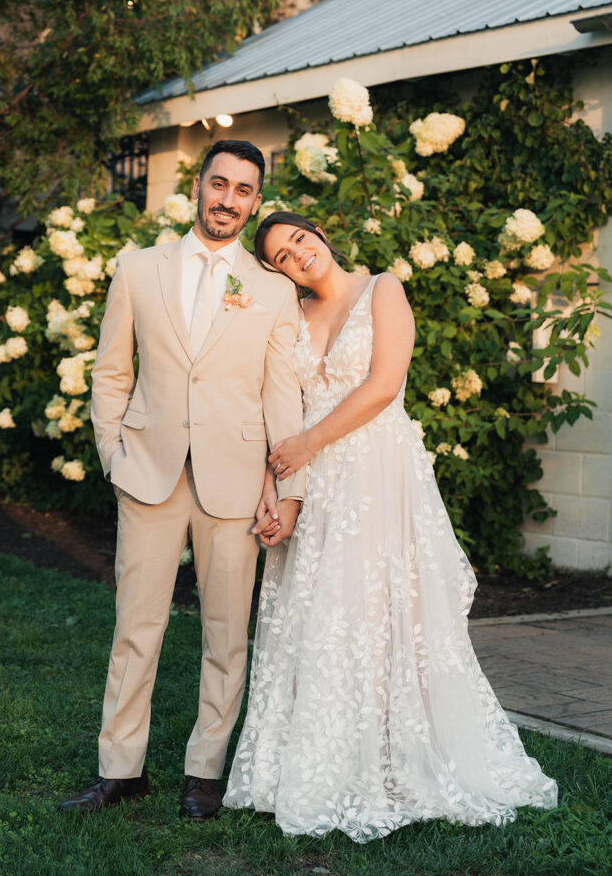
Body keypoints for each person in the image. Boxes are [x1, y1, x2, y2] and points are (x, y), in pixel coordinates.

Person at [223, 211, 558, 842]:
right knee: (315, 618)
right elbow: (277, 404)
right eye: (282, 257)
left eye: (300, 239)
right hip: (312, 482)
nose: (298, 256)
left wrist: (305, 444)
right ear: (276, 272)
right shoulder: (291, 318)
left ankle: (393, 760)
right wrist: (276, 484)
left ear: (319, 232)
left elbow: (383, 385)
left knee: (378, 613)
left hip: (376, 472)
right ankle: (315, 763)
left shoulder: (383, 289)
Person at [60, 143, 305, 819]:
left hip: (235, 482)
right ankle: (119, 768)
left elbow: (280, 397)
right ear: (197, 186)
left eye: (243, 190)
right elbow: (111, 369)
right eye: (218, 183)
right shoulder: (138, 269)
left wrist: (286, 490)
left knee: (226, 635)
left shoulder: (274, 288)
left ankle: (204, 773)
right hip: (150, 475)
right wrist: (113, 452)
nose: (228, 199)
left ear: (256, 202)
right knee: (135, 627)